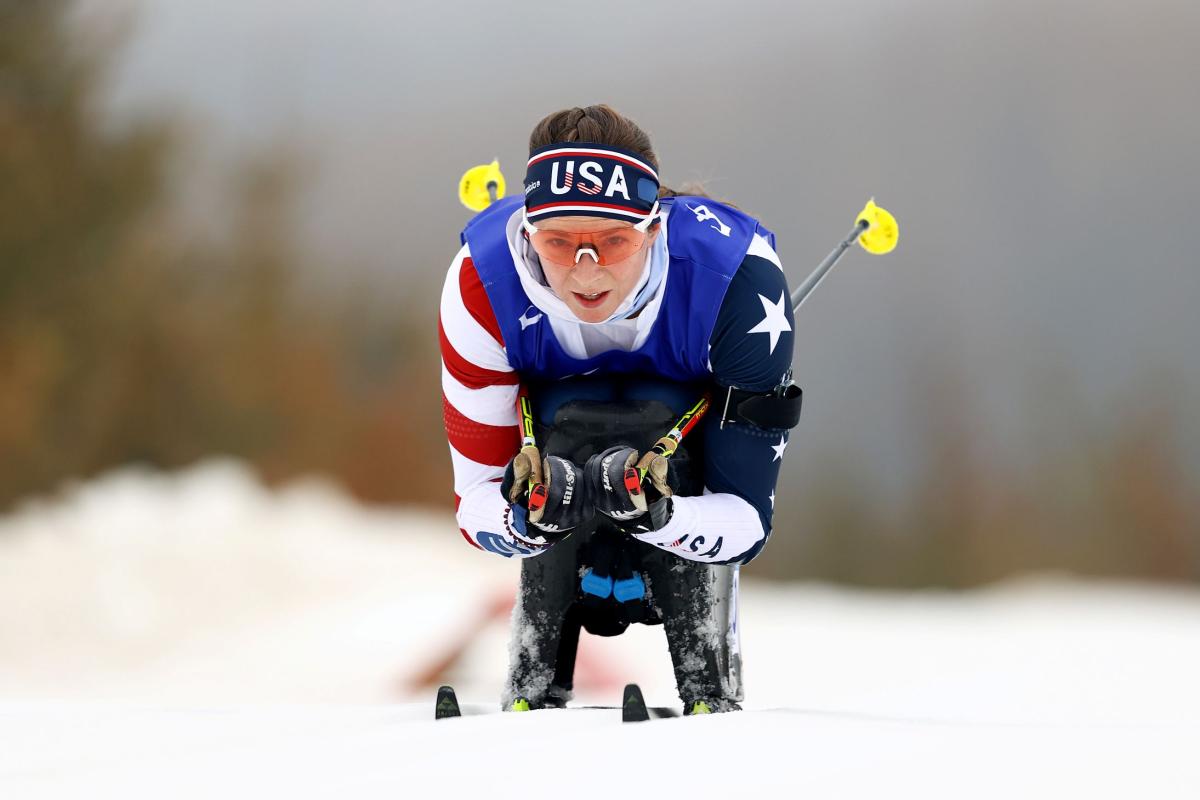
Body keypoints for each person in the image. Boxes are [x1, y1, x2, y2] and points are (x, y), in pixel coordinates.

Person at [439, 104, 801, 714]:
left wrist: (661, 515)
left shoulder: (741, 281)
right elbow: (473, 500)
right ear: (527, 231)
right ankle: (534, 678)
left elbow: (746, 520)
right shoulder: (480, 283)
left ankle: (706, 681)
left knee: (667, 441)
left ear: (654, 229)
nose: (587, 270)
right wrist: (529, 520)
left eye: (613, 240)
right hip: (558, 439)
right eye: (559, 242)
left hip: (685, 454)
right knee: (553, 470)